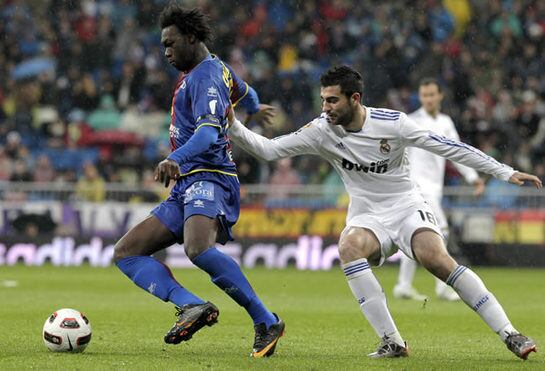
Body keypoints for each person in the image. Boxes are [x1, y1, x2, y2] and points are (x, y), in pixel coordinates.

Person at [227, 65, 540, 359]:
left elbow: (449, 147)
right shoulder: (321, 130)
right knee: (348, 246)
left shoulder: (393, 123)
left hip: (407, 205)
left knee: (436, 259)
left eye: (333, 100)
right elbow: (269, 150)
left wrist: (503, 171)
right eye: (323, 100)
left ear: (355, 98)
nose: (326, 108)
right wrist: (233, 124)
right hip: (367, 215)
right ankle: (392, 341)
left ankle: (510, 333)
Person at [113, 5, 284, 358]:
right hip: (187, 185)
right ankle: (191, 305)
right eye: (163, 46)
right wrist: (254, 107)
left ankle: (266, 320)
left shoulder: (205, 75)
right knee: (126, 252)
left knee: (198, 249)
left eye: (170, 43)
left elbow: (207, 135)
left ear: (191, 37)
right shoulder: (215, 70)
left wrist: (174, 157)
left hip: (211, 176)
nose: (166, 52)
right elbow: (244, 90)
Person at [393, 78, 485, 302]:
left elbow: (456, 152)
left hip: (434, 188)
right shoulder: (412, 121)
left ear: (440, 95)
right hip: (416, 186)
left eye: (432, 94)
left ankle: (403, 285)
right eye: (424, 95)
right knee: (440, 229)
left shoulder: (445, 122)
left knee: (416, 233)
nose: (428, 99)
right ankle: (443, 286)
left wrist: (473, 177)